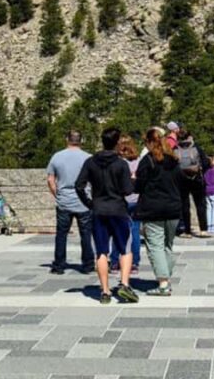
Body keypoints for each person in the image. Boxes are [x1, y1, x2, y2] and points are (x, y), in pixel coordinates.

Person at [75, 127, 139, 305]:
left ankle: (104, 291)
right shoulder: (121, 164)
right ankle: (124, 284)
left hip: (98, 210)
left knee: (101, 251)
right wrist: (133, 180)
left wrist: (89, 203)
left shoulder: (91, 162)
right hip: (118, 210)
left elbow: (79, 185)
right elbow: (127, 190)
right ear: (117, 142)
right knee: (125, 249)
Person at [135, 128, 185, 297]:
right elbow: (181, 184)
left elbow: (139, 186)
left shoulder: (147, 161)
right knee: (167, 246)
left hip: (153, 209)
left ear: (149, 142)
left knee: (155, 246)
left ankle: (163, 283)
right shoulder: (174, 160)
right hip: (173, 208)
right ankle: (166, 278)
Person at [46, 130, 94, 275]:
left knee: (61, 234)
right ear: (81, 140)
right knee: (86, 234)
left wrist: (57, 194)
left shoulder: (57, 156)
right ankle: (87, 264)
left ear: (66, 139)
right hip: (84, 201)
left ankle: (59, 265)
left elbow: (50, 179)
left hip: (64, 200)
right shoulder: (88, 158)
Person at [110, 136, 141, 274]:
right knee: (134, 232)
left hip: (121, 200)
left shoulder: (117, 162)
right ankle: (134, 262)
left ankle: (115, 261)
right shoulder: (139, 161)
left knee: (117, 232)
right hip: (136, 199)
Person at [175, 130, 210, 238]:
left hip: (181, 180)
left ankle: (187, 230)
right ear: (189, 137)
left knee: (184, 206)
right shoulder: (196, 147)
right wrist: (200, 172)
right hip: (196, 179)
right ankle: (203, 229)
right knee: (200, 204)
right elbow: (205, 163)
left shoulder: (175, 149)